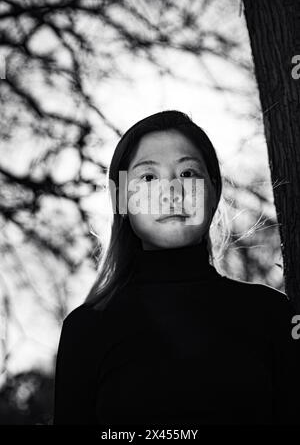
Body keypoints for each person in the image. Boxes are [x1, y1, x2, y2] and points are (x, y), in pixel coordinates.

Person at [53, 110, 300, 425]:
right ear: (121, 201)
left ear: (213, 192)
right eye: (149, 177)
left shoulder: (272, 314)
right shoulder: (85, 329)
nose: (172, 191)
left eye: (188, 174)